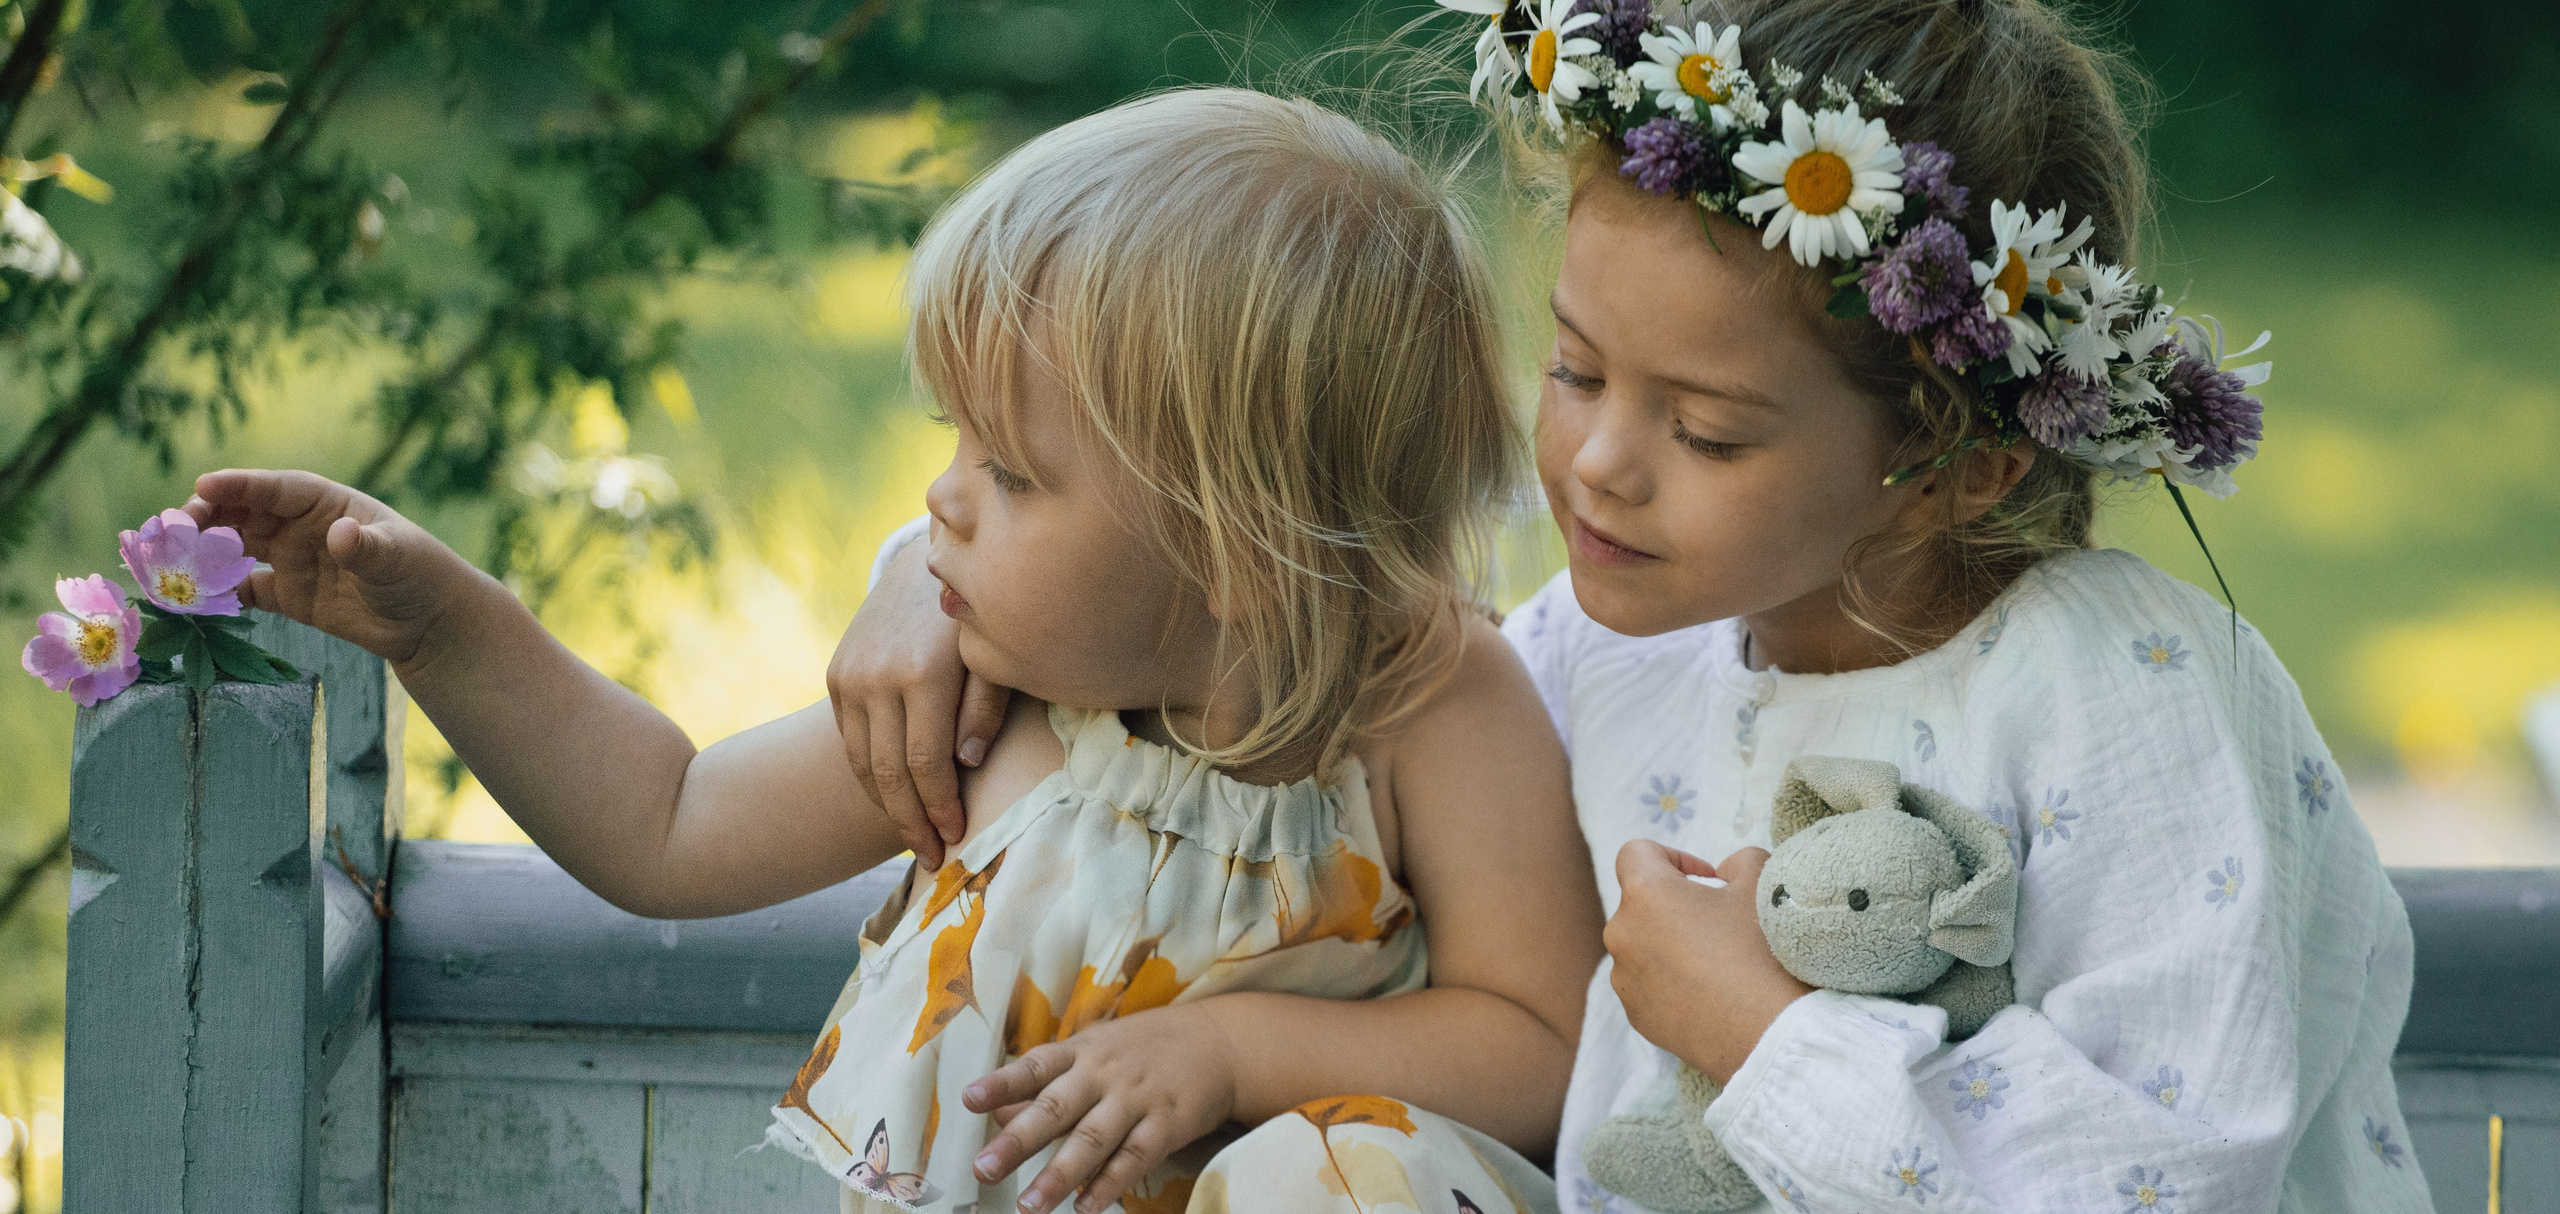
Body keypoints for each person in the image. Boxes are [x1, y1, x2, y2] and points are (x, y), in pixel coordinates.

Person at [849, 1, 2430, 1210]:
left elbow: (2175, 1172)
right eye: (1574, 368)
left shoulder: (2133, 690)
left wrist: (1764, 1033)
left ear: (1952, 455)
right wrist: (928, 589)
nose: (1596, 464)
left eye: (1708, 430)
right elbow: (1250, 613)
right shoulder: (1602, 654)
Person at [181, 87, 1602, 1214]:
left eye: (1015, 473)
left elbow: (1542, 1046)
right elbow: (662, 826)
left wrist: (1235, 1052)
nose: (939, 498)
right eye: (957, 444)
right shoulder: (995, 710)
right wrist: (447, 625)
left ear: (1239, 546)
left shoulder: (1431, 703)